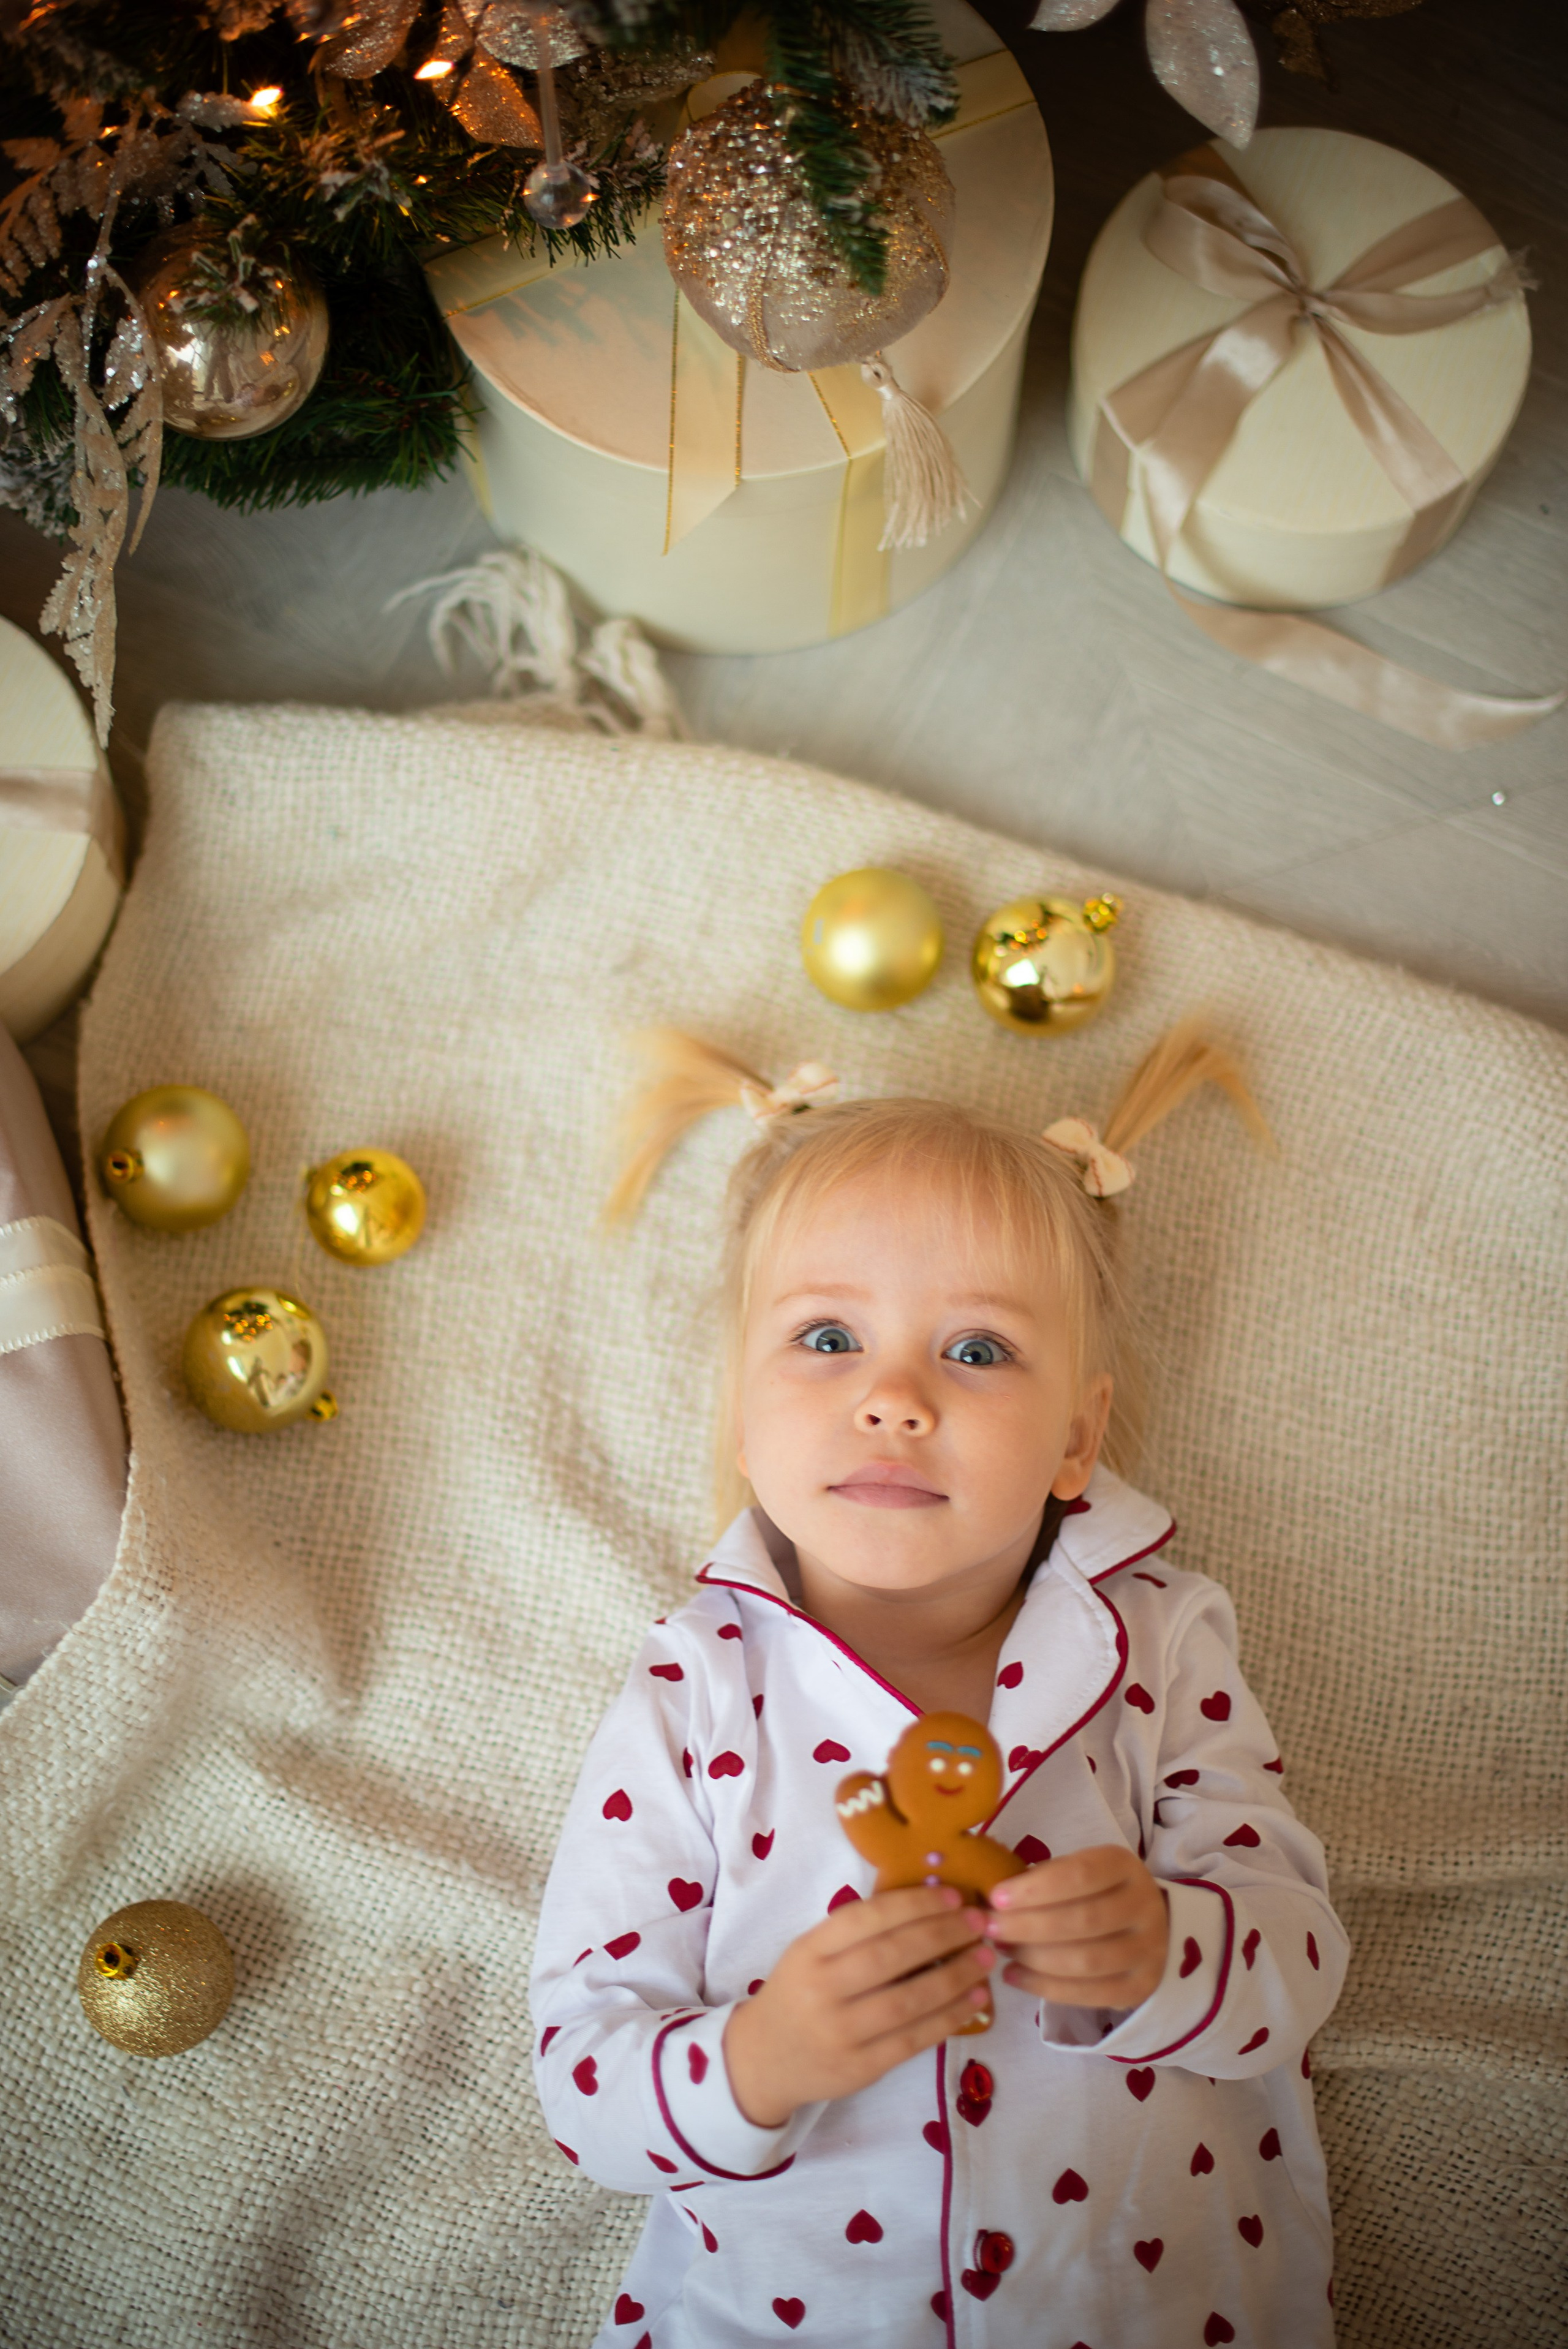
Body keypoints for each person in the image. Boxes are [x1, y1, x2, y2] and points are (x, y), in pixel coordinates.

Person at [530, 1024, 1348, 2348]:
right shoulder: (695, 1692)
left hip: (1144, 2297)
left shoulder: (1153, 1642)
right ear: (741, 1416)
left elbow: (1300, 1960)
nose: (894, 1397)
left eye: (974, 1351)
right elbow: (583, 2084)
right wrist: (759, 2060)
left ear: (1075, 1438)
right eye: (827, 1338)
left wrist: (1161, 1950)